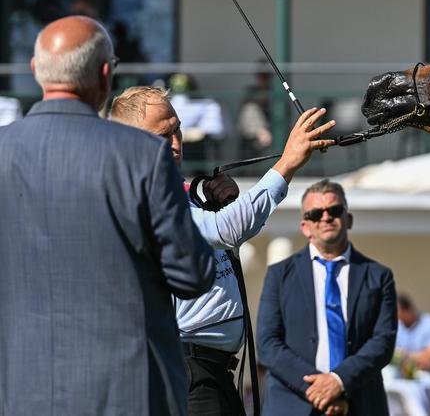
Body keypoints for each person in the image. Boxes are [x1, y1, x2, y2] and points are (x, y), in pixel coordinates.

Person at [0, 16, 216, 415]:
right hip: (131, 393)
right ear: (105, 73)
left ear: (35, 70)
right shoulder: (143, 156)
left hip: (22, 394)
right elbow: (193, 273)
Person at [110, 86, 336, 415]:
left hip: (212, 371)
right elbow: (226, 229)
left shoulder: (177, 192)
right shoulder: (144, 198)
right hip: (188, 369)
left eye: (177, 130)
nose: (175, 144)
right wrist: (287, 163)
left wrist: (209, 195)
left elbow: (221, 225)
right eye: (162, 137)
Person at [257, 179, 397, 415]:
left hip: (360, 402)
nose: (325, 217)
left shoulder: (378, 275)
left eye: (334, 210)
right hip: (292, 404)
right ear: (305, 226)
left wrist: (339, 382)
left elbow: (383, 342)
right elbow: (267, 344)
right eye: (315, 213)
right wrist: (318, 389)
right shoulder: (279, 275)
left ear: (348, 218)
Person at [388, 293, 430, 416]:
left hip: (426, 377)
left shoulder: (429, 322)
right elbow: (390, 355)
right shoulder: (395, 326)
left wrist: (405, 356)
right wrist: (416, 357)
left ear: (408, 310)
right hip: (399, 378)